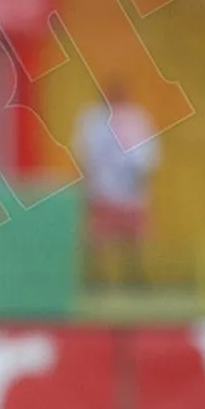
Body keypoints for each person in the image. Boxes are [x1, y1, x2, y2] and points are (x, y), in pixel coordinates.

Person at [73, 79, 160, 287]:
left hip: (131, 191)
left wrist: (140, 180)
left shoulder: (136, 119)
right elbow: (84, 153)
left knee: (134, 239)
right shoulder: (92, 119)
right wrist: (89, 183)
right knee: (97, 238)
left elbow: (148, 154)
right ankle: (95, 279)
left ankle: (136, 278)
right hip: (101, 190)